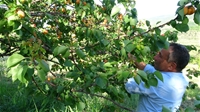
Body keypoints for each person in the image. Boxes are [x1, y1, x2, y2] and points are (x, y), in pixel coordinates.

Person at [125, 43, 190, 112]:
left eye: (160, 56)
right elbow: (149, 69)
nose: (155, 57)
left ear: (171, 66)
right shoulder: (182, 79)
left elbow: (128, 85)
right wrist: (132, 58)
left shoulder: (158, 82)